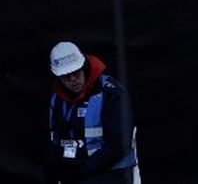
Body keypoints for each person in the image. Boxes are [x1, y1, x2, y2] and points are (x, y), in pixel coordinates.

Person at [45, 41, 136, 184]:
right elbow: (54, 139)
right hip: (73, 170)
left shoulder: (111, 93)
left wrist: (84, 169)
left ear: (84, 66)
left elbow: (119, 144)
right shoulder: (56, 98)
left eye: (75, 73)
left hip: (112, 171)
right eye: (66, 77)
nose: (72, 80)